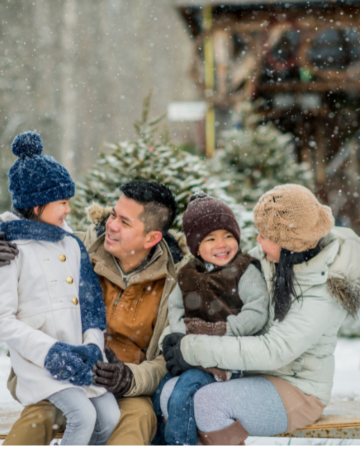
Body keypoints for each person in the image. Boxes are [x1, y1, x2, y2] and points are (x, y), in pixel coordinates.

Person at [162, 184, 360, 445]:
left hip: (299, 388)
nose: (257, 239)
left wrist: (192, 349)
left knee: (208, 403)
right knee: (169, 393)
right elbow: (220, 270)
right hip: (250, 373)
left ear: (288, 243)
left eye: (264, 234)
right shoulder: (272, 259)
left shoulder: (323, 291)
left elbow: (274, 350)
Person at [1, 177, 184, 445]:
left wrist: (129, 378)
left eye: (124, 222)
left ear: (152, 237)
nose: (110, 225)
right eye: (113, 214)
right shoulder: (75, 246)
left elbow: (163, 361)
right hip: (60, 374)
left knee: (138, 417)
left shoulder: (173, 283)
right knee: (41, 416)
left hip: (124, 388)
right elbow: (26, 227)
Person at [0, 131, 120, 445]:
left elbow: (92, 305)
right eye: (62, 203)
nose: (68, 210)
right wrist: (53, 354)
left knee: (109, 416)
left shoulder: (71, 243)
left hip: (81, 356)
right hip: (41, 362)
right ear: (37, 205)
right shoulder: (11, 249)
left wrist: (93, 347)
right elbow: (4, 320)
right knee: (83, 415)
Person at [157, 192, 269, 445]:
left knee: (183, 392)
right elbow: (174, 309)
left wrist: (223, 329)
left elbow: (257, 310)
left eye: (229, 236)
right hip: (192, 355)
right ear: (196, 246)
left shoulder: (244, 269)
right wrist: (184, 338)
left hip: (227, 357)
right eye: (211, 239)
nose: (222, 244)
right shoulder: (187, 273)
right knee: (160, 393)